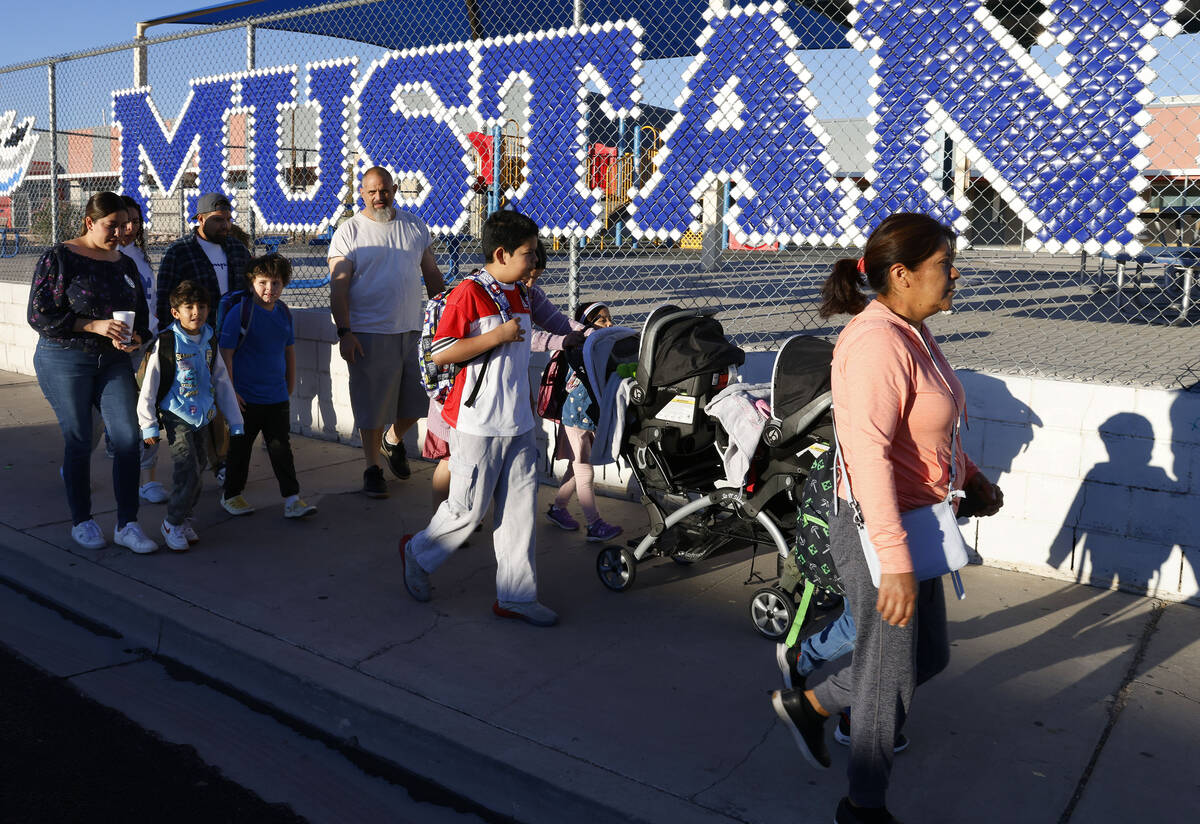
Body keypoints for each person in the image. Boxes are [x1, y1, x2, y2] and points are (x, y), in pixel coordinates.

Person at [769, 213, 1003, 824]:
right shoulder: (876, 342)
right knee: (888, 675)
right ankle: (862, 804)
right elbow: (868, 456)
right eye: (944, 265)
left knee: (927, 661)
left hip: (917, 519)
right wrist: (893, 561)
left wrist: (969, 475)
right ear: (900, 275)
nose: (955, 275)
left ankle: (812, 704)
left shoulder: (914, 332)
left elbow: (930, 423)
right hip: (879, 528)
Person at [400, 211, 557, 627]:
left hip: (520, 422)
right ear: (502, 253)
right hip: (479, 424)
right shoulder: (468, 293)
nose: (535, 259)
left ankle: (517, 596)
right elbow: (442, 351)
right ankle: (418, 552)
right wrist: (495, 336)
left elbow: (545, 331)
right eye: (528, 253)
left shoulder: (521, 292)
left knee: (520, 512)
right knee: (466, 510)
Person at [28, 191, 158, 553]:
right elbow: (39, 315)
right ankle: (81, 520)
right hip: (65, 358)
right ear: (89, 222)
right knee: (80, 438)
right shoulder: (60, 257)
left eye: (125, 225)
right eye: (111, 226)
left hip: (113, 361)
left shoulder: (124, 263)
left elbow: (143, 319)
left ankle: (127, 524)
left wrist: (136, 339)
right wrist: (91, 325)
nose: (119, 232)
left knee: (128, 437)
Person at [424, 239, 584, 511]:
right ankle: (440, 517)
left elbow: (560, 323)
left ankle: (466, 516)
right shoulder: (478, 291)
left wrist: (592, 335)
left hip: (497, 399)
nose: (530, 283)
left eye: (536, 277)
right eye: (528, 274)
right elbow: (523, 336)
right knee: (450, 460)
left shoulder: (527, 293)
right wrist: (561, 341)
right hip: (456, 392)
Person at [328, 166, 445, 498]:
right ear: (361, 193)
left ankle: (393, 440)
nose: (379, 197)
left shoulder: (414, 226)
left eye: (385, 190)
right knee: (373, 404)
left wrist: (446, 316)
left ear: (394, 189)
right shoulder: (349, 232)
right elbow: (339, 289)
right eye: (372, 192)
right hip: (368, 331)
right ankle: (372, 468)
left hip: (414, 330)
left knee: (420, 398)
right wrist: (345, 332)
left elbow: (432, 273)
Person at [138, 280, 245, 551]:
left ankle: (184, 517)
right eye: (189, 307)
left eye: (201, 307)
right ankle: (172, 522)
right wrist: (148, 425)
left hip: (204, 417)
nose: (196, 312)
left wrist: (235, 421)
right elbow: (149, 386)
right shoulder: (166, 342)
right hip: (178, 415)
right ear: (176, 312)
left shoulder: (210, 338)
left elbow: (221, 381)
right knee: (186, 471)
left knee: (199, 470)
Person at [155, 192, 252, 485]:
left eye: (227, 220)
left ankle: (227, 458)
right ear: (200, 219)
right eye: (218, 220)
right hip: (198, 340)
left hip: (235, 337)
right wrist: (169, 339)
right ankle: (218, 462)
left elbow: (249, 291)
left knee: (230, 396)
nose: (225, 226)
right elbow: (164, 298)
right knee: (206, 398)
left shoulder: (236, 249)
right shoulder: (179, 252)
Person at [218, 253, 316, 520]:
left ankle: (292, 499)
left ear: (283, 284)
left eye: (275, 283)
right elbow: (225, 355)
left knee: (281, 448)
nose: (269, 289)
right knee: (240, 449)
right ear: (251, 282)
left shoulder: (284, 312)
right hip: (245, 398)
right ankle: (231, 495)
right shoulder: (240, 313)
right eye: (262, 282)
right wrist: (231, 393)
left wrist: (290, 384)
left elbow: (289, 350)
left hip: (276, 396)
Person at [546, 301, 622, 541]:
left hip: (590, 418)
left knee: (575, 468)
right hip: (577, 417)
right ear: (585, 326)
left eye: (609, 318)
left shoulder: (603, 349)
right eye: (602, 320)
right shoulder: (580, 351)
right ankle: (594, 524)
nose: (609, 323)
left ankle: (558, 509)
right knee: (584, 471)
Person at [118, 194, 168, 505]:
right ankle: (77, 461)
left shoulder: (138, 253)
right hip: (114, 349)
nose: (130, 228)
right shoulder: (105, 256)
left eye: (135, 222)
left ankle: (147, 478)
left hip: (147, 343)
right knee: (99, 419)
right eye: (124, 222)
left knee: (149, 409)